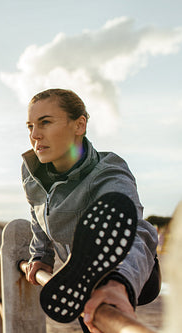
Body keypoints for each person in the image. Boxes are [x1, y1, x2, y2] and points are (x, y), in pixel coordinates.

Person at [22, 88, 160, 333]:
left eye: (45, 122)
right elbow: (37, 210)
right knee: (88, 314)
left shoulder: (108, 172)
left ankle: (112, 280)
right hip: (78, 277)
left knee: (100, 305)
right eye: (30, 126)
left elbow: (135, 231)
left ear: (79, 125)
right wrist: (41, 256)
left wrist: (119, 283)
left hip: (127, 272)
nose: (35, 135)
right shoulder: (32, 173)